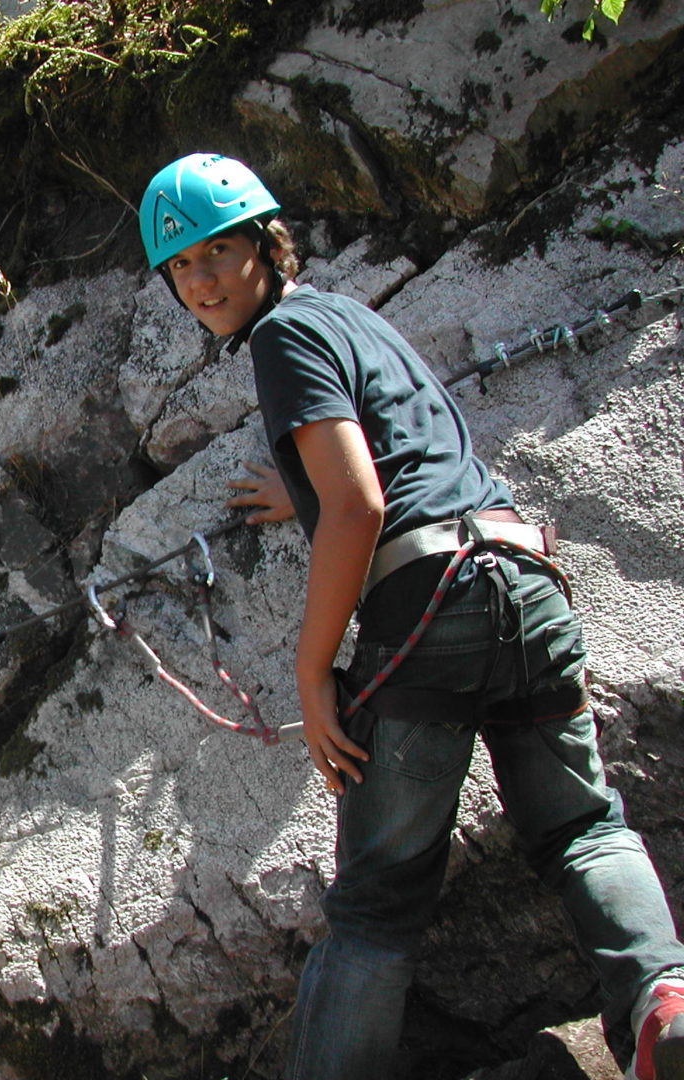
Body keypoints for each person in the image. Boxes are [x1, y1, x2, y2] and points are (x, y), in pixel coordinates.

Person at [138, 153, 684, 1080]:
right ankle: (663, 1005)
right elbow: (398, 453)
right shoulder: (350, 316)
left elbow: (360, 508)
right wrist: (298, 489)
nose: (199, 282)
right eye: (180, 267)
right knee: (585, 828)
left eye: (216, 253)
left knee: (376, 909)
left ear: (266, 245)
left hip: (436, 610)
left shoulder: (280, 339)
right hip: (524, 579)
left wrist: (314, 675)